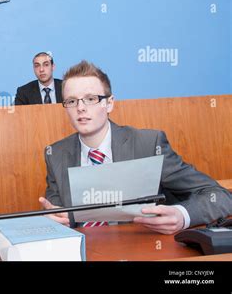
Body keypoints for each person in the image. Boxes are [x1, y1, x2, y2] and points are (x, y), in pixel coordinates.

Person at [39, 60, 232, 234]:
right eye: (72, 101)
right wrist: (54, 220)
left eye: (90, 99)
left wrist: (182, 215)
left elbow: (220, 196)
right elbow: (57, 213)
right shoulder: (55, 154)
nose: (80, 107)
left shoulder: (148, 144)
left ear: (109, 104)